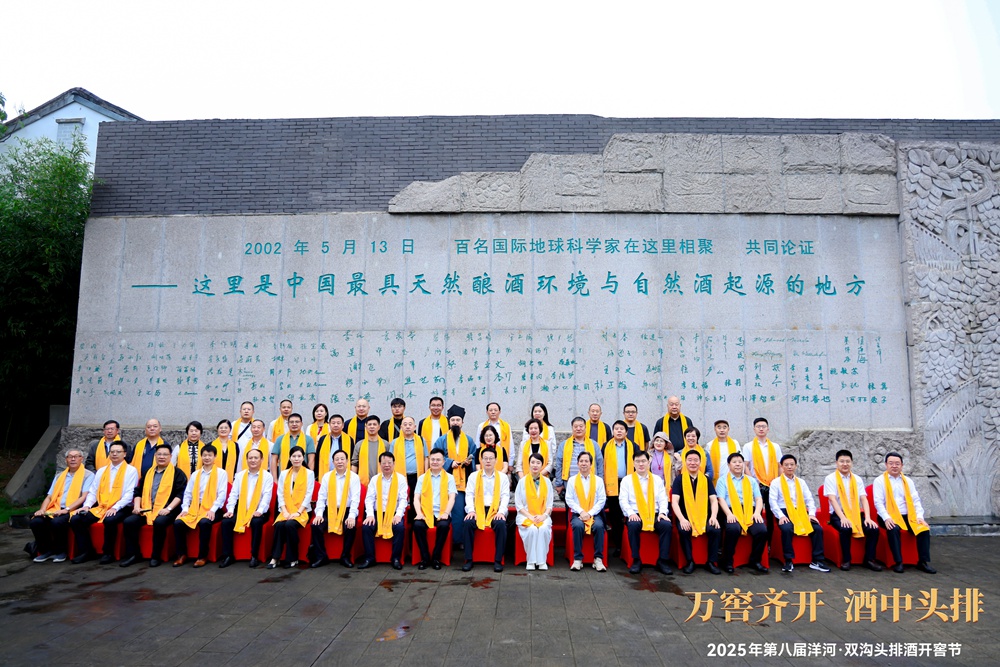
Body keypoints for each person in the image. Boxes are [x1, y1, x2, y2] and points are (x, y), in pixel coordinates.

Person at [70, 441, 138, 564]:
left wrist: (115, 507)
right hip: (101, 506)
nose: (115, 454)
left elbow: (129, 494)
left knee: (110, 520)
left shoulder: (131, 470)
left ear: (124, 454)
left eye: (118, 452)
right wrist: (87, 506)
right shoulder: (101, 471)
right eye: (112, 452)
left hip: (122, 507)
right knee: (77, 519)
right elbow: (93, 491)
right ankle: (87, 551)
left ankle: (108, 553)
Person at [121, 444, 186, 567]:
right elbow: (138, 491)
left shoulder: (177, 473)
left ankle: (156, 556)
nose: (162, 457)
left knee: (160, 522)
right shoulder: (148, 472)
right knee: (129, 522)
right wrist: (137, 507)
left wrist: (168, 509)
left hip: (168, 509)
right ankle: (134, 554)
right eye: (159, 454)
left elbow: (180, 494)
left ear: (170, 456)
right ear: (155, 456)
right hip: (147, 508)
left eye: (165, 454)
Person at [872, 452, 936, 574]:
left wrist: (919, 517)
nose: (894, 466)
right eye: (891, 463)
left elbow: (916, 500)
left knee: (923, 529)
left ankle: (922, 562)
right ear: (886, 465)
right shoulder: (879, 481)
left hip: (908, 516)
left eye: (897, 463)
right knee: (893, 529)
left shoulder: (908, 481)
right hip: (888, 516)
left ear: (902, 465)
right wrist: (886, 518)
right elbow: (878, 503)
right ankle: (898, 562)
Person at [30, 449, 94, 563]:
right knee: (36, 521)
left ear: (81, 459)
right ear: (66, 460)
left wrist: (67, 510)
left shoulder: (88, 475)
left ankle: (61, 551)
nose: (73, 459)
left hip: (73, 509)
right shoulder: (60, 476)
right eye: (70, 457)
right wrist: (42, 509)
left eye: (76, 456)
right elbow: (49, 497)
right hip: (55, 507)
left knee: (57, 522)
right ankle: (46, 551)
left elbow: (84, 497)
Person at [769, 454, 830, 573]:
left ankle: (817, 560)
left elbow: (809, 499)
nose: (789, 467)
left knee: (817, 529)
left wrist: (811, 514)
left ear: (796, 466)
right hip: (784, 511)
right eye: (786, 465)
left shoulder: (801, 482)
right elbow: (773, 502)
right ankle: (788, 560)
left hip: (800, 512)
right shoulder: (776, 482)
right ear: (781, 467)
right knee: (787, 528)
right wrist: (781, 516)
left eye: (792, 464)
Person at [823, 449, 882, 571]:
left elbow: (864, 499)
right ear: (836, 463)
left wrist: (868, 518)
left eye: (848, 461)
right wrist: (843, 518)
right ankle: (846, 560)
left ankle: (869, 560)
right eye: (842, 461)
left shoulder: (857, 479)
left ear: (852, 463)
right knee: (846, 528)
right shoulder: (830, 478)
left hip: (855, 513)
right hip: (838, 515)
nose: (845, 464)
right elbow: (832, 499)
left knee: (873, 529)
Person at [172, 444, 228, 568]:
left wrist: (212, 510)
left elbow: (222, 495)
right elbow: (187, 493)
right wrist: (185, 509)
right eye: (204, 455)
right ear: (201, 457)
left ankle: (202, 556)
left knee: (204, 522)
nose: (207, 458)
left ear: (215, 457)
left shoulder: (221, 473)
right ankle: (181, 555)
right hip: (195, 508)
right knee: (178, 523)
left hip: (214, 508)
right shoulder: (195, 474)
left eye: (210, 455)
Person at [618, 451, 672, 575]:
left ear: (649, 462)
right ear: (633, 464)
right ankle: (636, 560)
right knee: (633, 525)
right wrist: (630, 513)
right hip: (636, 513)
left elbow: (663, 499)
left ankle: (662, 561)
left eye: (643, 461)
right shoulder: (627, 480)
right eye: (637, 461)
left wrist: (663, 513)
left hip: (654, 513)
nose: (641, 464)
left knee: (666, 525)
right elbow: (623, 500)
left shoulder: (657, 479)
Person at [219, 447, 274, 568]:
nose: (253, 460)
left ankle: (254, 556)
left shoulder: (267, 476)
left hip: (259, 511)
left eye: (256, 458)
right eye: (250, 458)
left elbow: (267, 496)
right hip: (241, 511)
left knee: (256, 522)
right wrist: (230, 510)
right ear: (246, 460)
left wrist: (260, 511)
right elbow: (233, 494)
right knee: (226, 522)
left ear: (262, 460)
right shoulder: (240, 475)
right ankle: (228, 556)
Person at [715, 452, 768, 574]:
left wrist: (757, 513)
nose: (738, 464)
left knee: (762, 530)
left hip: (750, 511)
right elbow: (721, 499)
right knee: (733, 529)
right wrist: (729, 514)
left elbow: (758, 498)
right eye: (734, 462)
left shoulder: (751, 480)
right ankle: (727, 561)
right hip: (731, 510)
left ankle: (755, 561)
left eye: (740, 462)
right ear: (729, 465)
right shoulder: (722, 480)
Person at [671, 449, 722, 574]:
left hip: (704, 516)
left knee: (715, 529)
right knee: (684, 530)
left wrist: (713, 516)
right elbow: (675, 502)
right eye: (690, 460)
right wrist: (682, 519)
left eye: (695, 460)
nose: (693, 463)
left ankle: (711, 562)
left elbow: (713, 500)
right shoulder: (679, 480)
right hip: (686, 515)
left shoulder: (706, 480)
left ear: (700, 462)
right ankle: (690, 561)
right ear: (685, 462)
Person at [435, 405, 477, 547]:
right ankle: (445, 541)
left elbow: (474, 457)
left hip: (462, 481)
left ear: (462, 422)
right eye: (452, 420)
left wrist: (468, 462)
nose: (455, 423)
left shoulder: (469, 440)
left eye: (458, 420)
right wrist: (449, 462)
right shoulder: (441, 440)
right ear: (449, 422)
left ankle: (458, 541)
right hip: (444, 481)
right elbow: (436, 458)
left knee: (459, 511)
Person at [309, 449, 360, 569]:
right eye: (337, 459)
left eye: (342, 459)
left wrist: (351, 516)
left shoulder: (354, 477)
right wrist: (319, 514)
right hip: (329, 510)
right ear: (333, 462)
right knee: (316, 525)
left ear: (347, 461)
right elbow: (321, 497)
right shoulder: (327, 477)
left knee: (350, 526)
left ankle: (345, 556)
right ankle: (321, 556)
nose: (340, 462)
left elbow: (355, 499)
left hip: (347, 510)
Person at [462, 447, 510, 572]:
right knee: (468, 523)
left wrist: (501, 512)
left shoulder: (503, 477)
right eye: (485, 458)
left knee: (501, 524)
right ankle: (468, 559)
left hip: (495, 510)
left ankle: (498, 560)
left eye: (491, 458)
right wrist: (471, 510)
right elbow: (469, 495)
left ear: (496, 460)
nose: (488, 461)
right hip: (478, 509)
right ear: (481, 460)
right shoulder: (473, 476)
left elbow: (505, 496)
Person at [358, 452, 408, 570]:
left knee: (399, 527)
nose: (387, 465)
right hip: (377, 513)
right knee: (366, 527)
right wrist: (370, 515)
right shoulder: (375, 479)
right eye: (384, 463)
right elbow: (369, 499)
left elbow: (403, 500)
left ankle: (395, 558)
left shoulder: (401, 479)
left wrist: (398, 515)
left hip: (394, 513)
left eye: (389, 463)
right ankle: (369, 558)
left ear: (394, 464)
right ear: (380, 464)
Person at [267, 446, 314, 569]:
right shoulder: (284, 473)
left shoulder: (309, 473)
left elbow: (308, 495)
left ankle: (292, 558)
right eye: (294, 456)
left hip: (303, 511)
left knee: (289, 525)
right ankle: (275, 557)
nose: (296, 459)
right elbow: (280, 494)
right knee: (279, 525)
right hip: (286, 510)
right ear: (290, 458)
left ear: (303, 458)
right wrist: (284, 511)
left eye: (299, 456)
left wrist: (298, 512)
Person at [411, 448, 456, 569]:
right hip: (425, 513)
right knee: (417, 525)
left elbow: (452, 497)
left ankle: (436, 558)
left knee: (444, 526)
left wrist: (446, 513)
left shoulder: (449, 478)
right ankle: (425, 558)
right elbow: (416, 498)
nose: (435, 462)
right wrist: (419, 513)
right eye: (433, 459)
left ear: (443, 462)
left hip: (442, 512)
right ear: (429, 460)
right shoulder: (422, 478)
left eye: (438, 460)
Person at [601, 420, 640, 558]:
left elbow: (639, 464)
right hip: (612, 484)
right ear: (612, 431)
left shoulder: (633, 446)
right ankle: (619, 546)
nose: (619, 431)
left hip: (629, 483)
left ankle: (630, 546)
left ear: (626, 432)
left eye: (621, 429)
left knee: (630, 513)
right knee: (616, 517)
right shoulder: (606, 446)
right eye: (616, 429)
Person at [742, 417, 783, 542]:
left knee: (771, 514)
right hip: (756, 484)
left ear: (768, 429)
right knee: (756, 513)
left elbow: (779, 466)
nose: (761, 429)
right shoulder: (748, 446)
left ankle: (770, 543)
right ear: (754, 429)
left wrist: (779, 482)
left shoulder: (775, 447)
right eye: (758, 426)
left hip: (772, 484)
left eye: (763, 426)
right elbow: (745, 465)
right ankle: (759, 541)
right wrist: (753, 481)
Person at [565, 450, 607, 572]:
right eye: (581, 461)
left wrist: (589, 513)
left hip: (594, 513)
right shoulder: (572, 480)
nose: (584, 463)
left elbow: (602, 500)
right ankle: (577, 559)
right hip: (578, 514)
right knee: (578, 526)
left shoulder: (598, 480)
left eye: (586, 461)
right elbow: (569, 499)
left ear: (591, 464)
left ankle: (598, 559)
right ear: (577, 464)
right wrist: (582, 512)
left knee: (599, 526)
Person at [515, 453, 553, 570]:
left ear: (542, 465)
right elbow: (519, 505)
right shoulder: (522, 482)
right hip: (525, 515)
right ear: (529, 464)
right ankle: (531, 561)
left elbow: (549, 504)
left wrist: (544, 516)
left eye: (538, 463)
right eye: (532, 462)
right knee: (532, 529)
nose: (535, 465)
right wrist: (530, 517)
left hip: (542, 515)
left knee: (543, 529)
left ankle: (541, 561)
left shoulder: (547, 482)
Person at [555, 417, 603, 500]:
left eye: (581, 426)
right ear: (572, 428)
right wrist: (559, 483)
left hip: (591, 483)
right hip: (569, 484)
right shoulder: (564, 445)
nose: (578, 429)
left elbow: (600, 463)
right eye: (575, 426)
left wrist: (600, 481)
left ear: (585, 427)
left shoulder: (594, 444)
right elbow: (559, 464)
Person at [387, 415, 428, 503]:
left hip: (417, 476)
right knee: (401, 500)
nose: (408, 426)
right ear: (401, 427)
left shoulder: (421, 440)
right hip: (400, 476)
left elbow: (426, 458)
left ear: (415, 427)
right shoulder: (395, 442)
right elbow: (390, 461)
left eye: (410, 424)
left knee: (416, 500)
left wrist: (425, 474)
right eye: (405, 424)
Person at [270, 413, 315, 479]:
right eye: (291, 422)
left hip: (303, 477)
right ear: (288, 424)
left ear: (301, 424)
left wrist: (308, 477)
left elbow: (311, 460)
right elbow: (274, 459)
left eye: (297, 422)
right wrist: (275, 479)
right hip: (283, 477)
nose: (294, 424)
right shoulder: (280, 439)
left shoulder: (308, 439)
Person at [314, 413, 353, 480]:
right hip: (326, 475)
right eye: (333, 423)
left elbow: (352, 458)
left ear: (343, 425)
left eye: (338, 423)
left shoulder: (349, 439)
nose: (336, 425)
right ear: (329, 425)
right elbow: (317, 458)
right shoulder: (323, 439)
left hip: (343, 475)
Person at [351, 415, 386, 485]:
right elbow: (354, 464)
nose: (372, 427)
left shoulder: (386, 445)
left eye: (374, 424)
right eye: (369, 424)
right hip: (363, 483)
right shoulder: (359, 445)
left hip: (382, 483)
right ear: (365, 427)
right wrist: (353, 482)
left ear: (379, 427)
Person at [707, 420, 740, 488]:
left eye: (724, 427)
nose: (722, 430)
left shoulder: (735, 443)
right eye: (719, 428)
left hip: (734, 479)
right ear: (715, 429)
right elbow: (707, 465)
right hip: (717, 480)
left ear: (728, 429)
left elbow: (741, 461)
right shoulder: (710, 445)